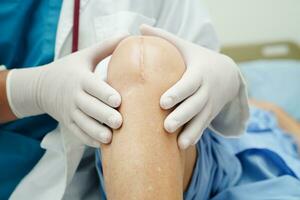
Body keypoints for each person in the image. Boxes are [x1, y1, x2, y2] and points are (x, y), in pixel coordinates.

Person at [1, 0, 249, 199]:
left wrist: (223, 77)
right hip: (14, 165)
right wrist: (26, 89)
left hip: (175, 160)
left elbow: (205, 93)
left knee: (145, 61)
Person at [94, 32, 300, 200]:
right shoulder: (230, 108)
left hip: (281, 177)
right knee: (148, 59)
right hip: (214, 155)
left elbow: (279, 115)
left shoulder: (268, 112)